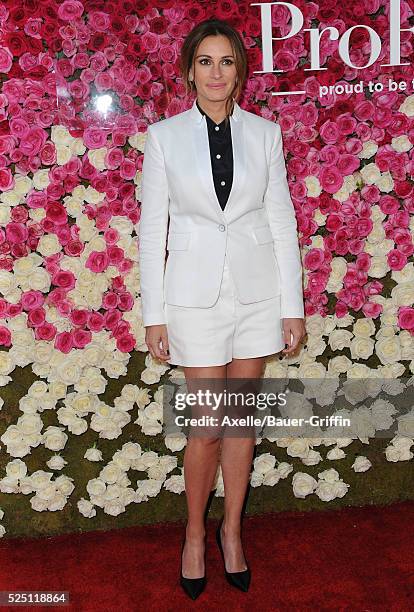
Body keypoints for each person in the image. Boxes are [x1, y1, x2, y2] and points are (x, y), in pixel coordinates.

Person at [138, 18, 306, 600]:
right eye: (205, 61)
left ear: (240, 71)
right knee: (206, 428)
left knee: (240, 426)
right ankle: (192, 535)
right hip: (192, 300)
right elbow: (150, 229)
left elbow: (281, 220)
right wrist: (153, 314)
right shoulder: (163, 137)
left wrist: (293, 307)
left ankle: (232, 533)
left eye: (226, 61)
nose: (216, 72)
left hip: (257, 299)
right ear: (189, 70)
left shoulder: (266, 134)